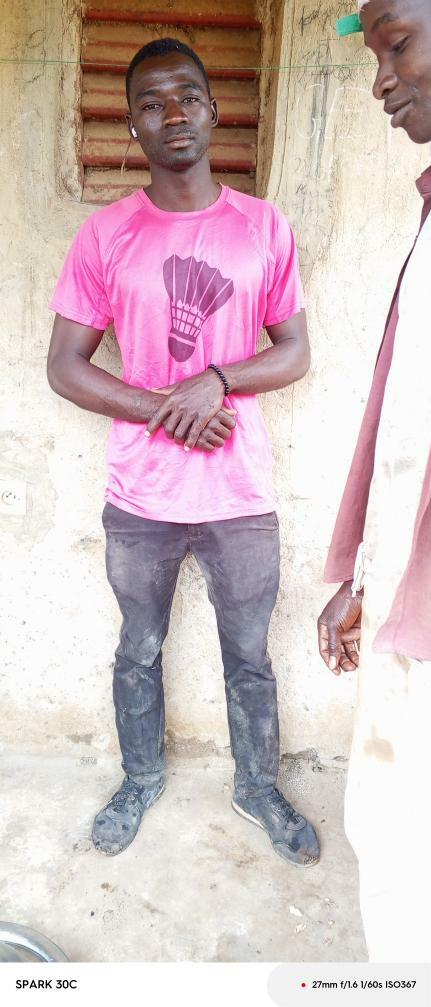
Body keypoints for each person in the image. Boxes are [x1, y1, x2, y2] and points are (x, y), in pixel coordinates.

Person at [47, 37, 319, 866]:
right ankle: (138, 778)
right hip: (142, 495)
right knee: (138, 647)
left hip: (239, 493)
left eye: (188, 96)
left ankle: (257, 786)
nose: (173, 113)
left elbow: (294, 352)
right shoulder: (105, 235)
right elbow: (64, 366)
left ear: (213, 109)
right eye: (151, 102)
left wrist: (216, 380)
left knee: (250, 655)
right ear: (131, 124)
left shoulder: (262, 225)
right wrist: (167, 408)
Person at [318, 0, 431, 962]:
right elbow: (406, 433)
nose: (379, 81)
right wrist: (367, 577)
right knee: (389, 839)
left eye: (397, 44)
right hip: (403, 603)